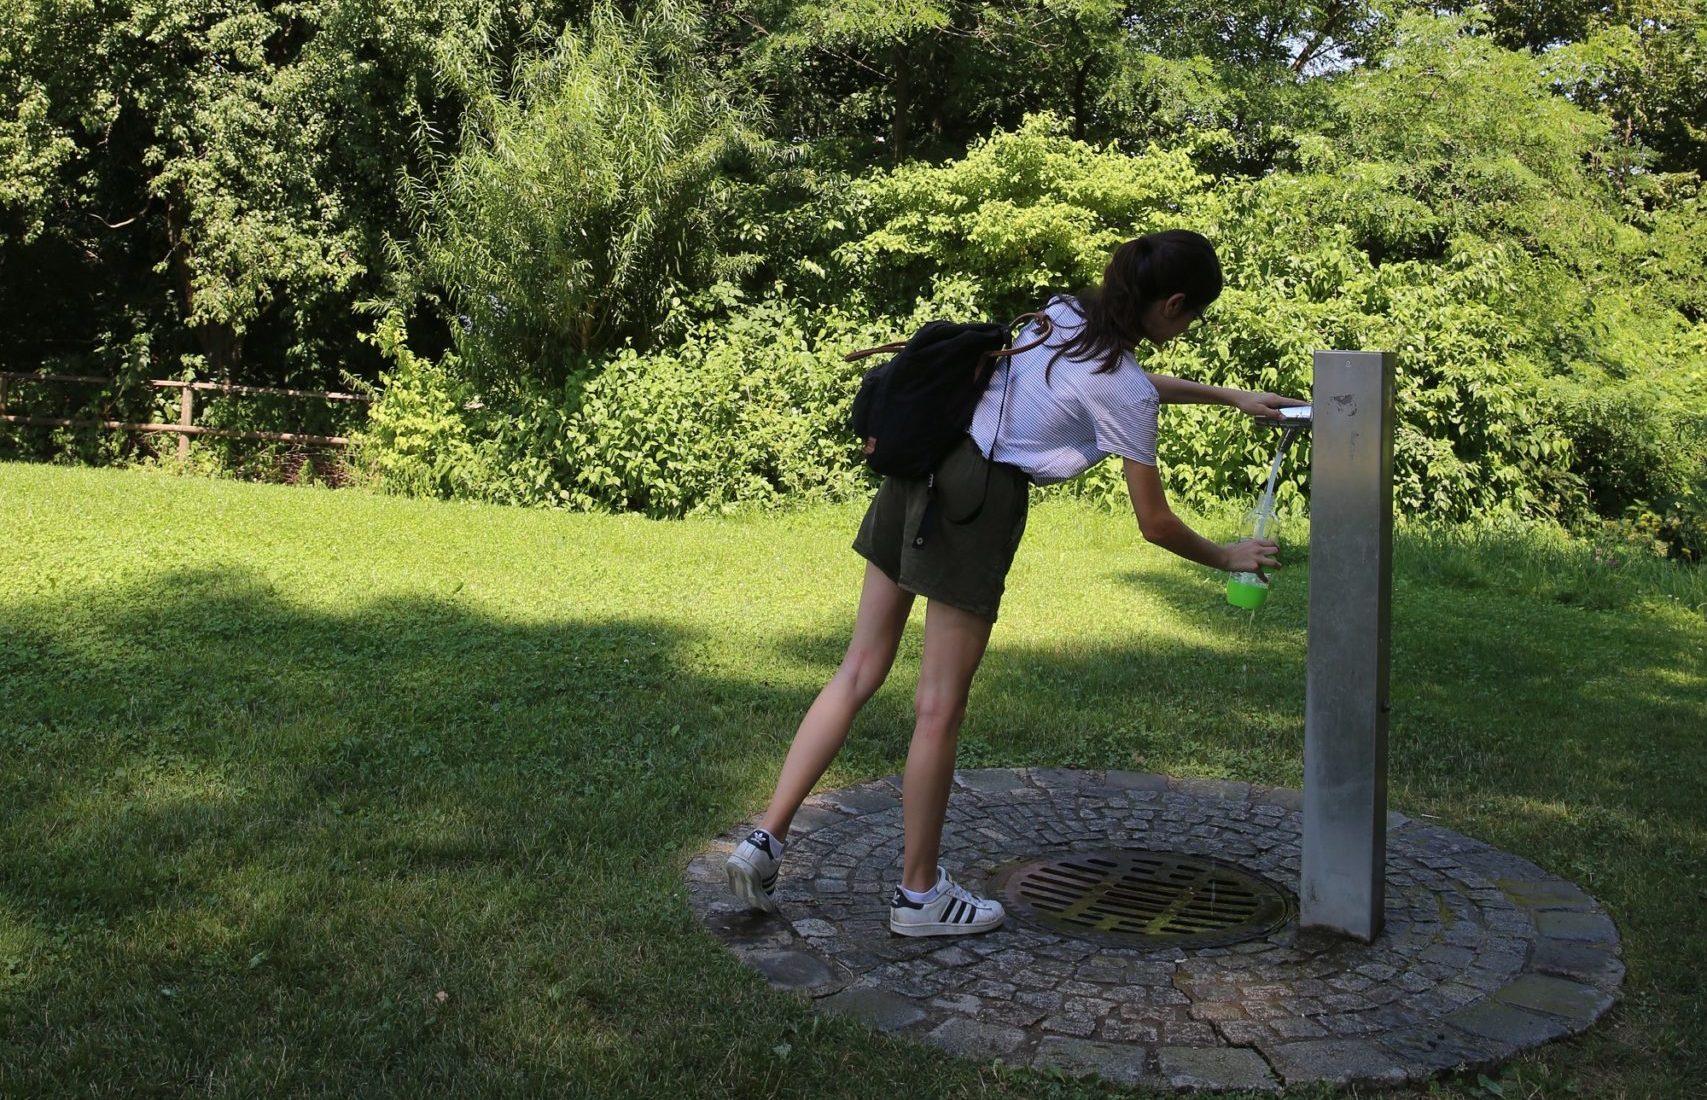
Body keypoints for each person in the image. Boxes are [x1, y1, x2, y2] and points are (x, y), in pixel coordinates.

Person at [727, 229, 1303, 937]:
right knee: (938, 707)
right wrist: (1228, 557)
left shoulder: (1060, 316)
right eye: (1192, 316)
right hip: (977, 498)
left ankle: (764, 841)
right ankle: (917, 898)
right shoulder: (1119, 383)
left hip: (918, 470)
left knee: (857, 669)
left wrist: (1225, 396)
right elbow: (1152, 520)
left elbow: (1112, 385)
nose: (1188, 329)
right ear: (1172, 303)